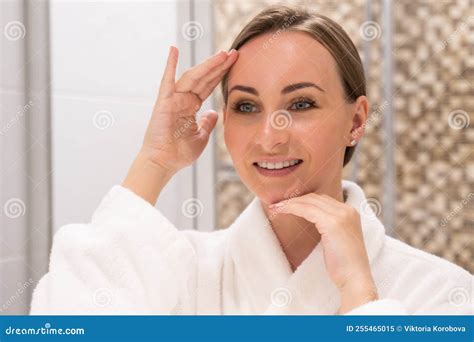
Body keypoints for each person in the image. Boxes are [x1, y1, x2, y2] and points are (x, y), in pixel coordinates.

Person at [30, 5, 472, 315]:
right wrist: (154, 161)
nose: (268, 136)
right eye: (245, 107)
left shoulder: (439, 292)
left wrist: (359, 293)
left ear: (356, 120)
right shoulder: (182, 273)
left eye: (300, 104)